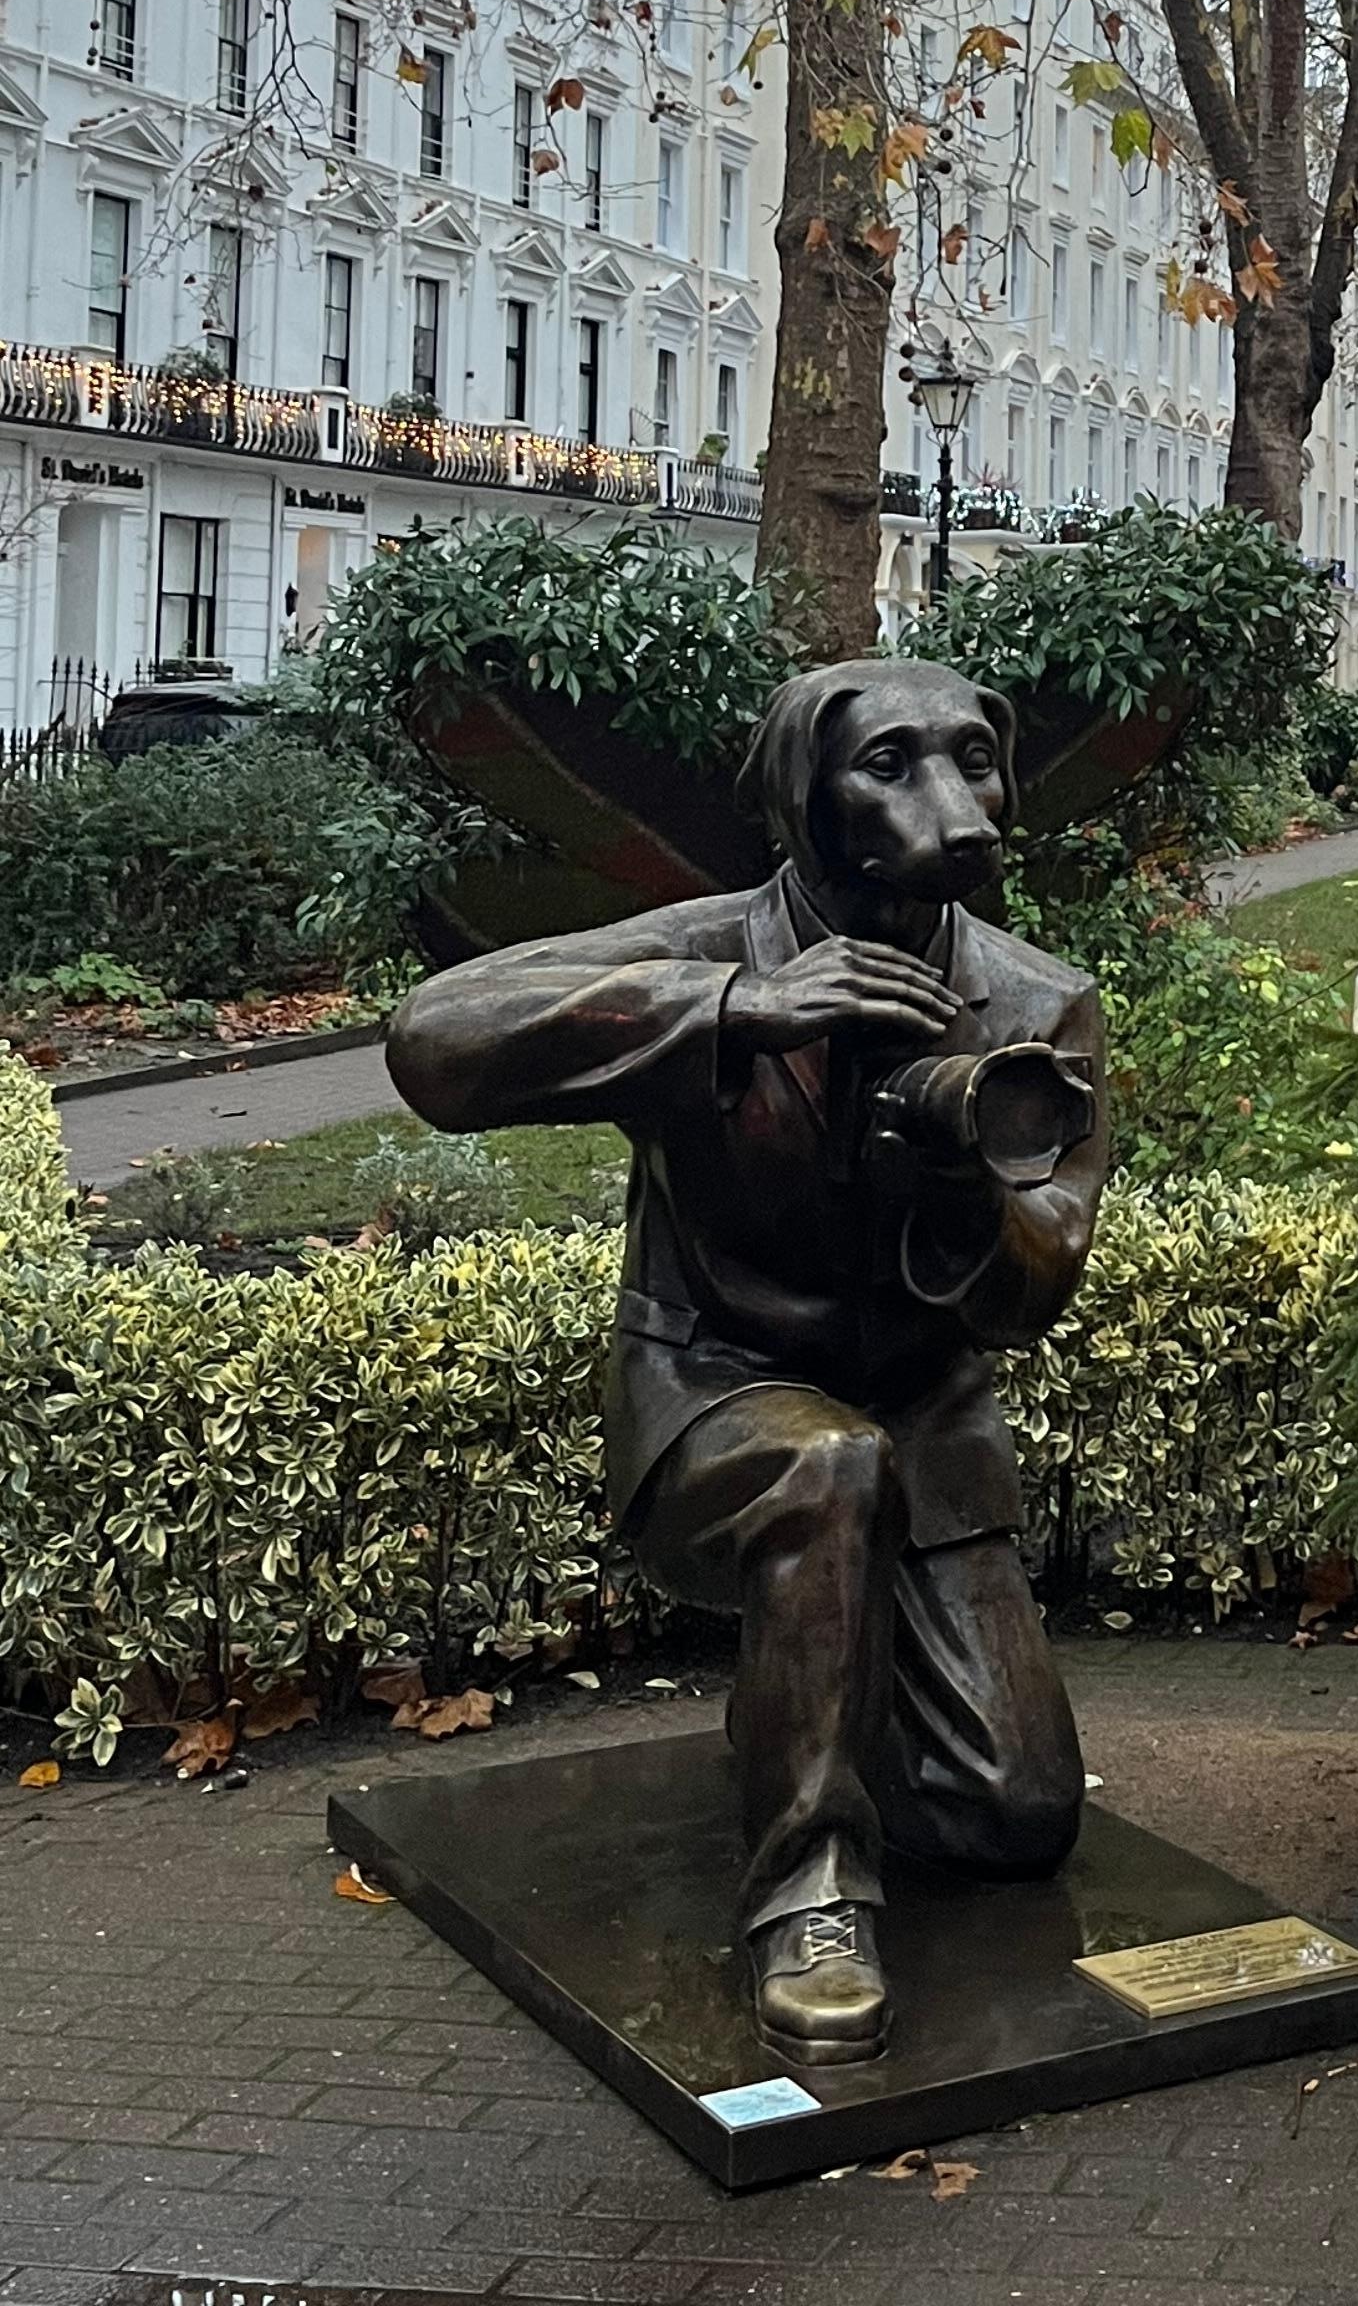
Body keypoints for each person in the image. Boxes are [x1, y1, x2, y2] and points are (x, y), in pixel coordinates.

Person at [389, 656, 1105, 2061]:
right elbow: (430, 1041)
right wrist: (727, 1012)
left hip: (928, 1413)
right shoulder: (708, 944)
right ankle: (810, 1893)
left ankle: (817, 1690)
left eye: (971, 762)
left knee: (1012, 1821)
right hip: (716, 1386)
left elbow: (1028, 1305)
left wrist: (965, 1187)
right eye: (890, 767)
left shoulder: (1037, 1006)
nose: (951, 808)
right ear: (803, 799)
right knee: (823, 1468)